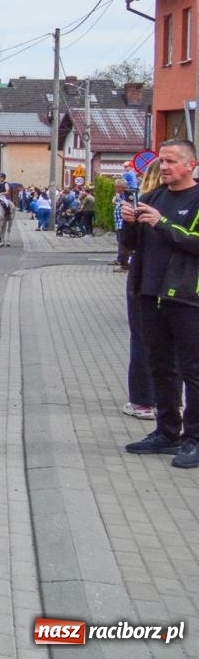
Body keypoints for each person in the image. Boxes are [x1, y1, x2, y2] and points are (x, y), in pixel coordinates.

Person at [120, 139, 199, 469]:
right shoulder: (152, 197)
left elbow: (193, 243)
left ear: (191, 165)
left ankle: (193, 439)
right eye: (162, 161)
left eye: (172, 161)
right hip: (149, 294)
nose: (164, 167)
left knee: (193, 372)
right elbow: (129, 248)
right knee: (160, 367)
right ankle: (166, 431)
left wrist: (161, 223)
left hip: (186, 298)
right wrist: (128, 223)